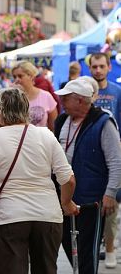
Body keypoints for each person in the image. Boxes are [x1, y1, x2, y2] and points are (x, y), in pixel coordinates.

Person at [0, 88, 77, 274]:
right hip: (47, 215)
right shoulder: (46, 135)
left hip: (9, 217)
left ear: (1, 112)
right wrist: (66, 203)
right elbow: (68, 179)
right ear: (26, 109)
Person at [54, 78, 121, 274]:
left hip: (92, 198)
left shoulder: (103, 122)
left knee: (87, 251)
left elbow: (116, 161)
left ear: (80, 101)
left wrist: (110, 194)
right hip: (64, 195)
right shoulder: (62, 120)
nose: (62, 102)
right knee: (67, 241)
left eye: (66, 98)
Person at [88, 52, 121, 267]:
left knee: (111, 206)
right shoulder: (85, 91)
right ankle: (93, 246)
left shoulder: (117, 92)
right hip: (90, 156)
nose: (98, 70)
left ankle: (110, 249)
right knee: (91, 206)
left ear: (109, 67)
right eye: (94, 67)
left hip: (112, 155)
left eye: (101, 66)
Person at [11, 61, 58, 131]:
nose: (16, 80)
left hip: (41, 140)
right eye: (14, 77)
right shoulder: (12, 98)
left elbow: (53, 127)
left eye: (20, 76)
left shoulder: (46, 96)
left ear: (31, 76)